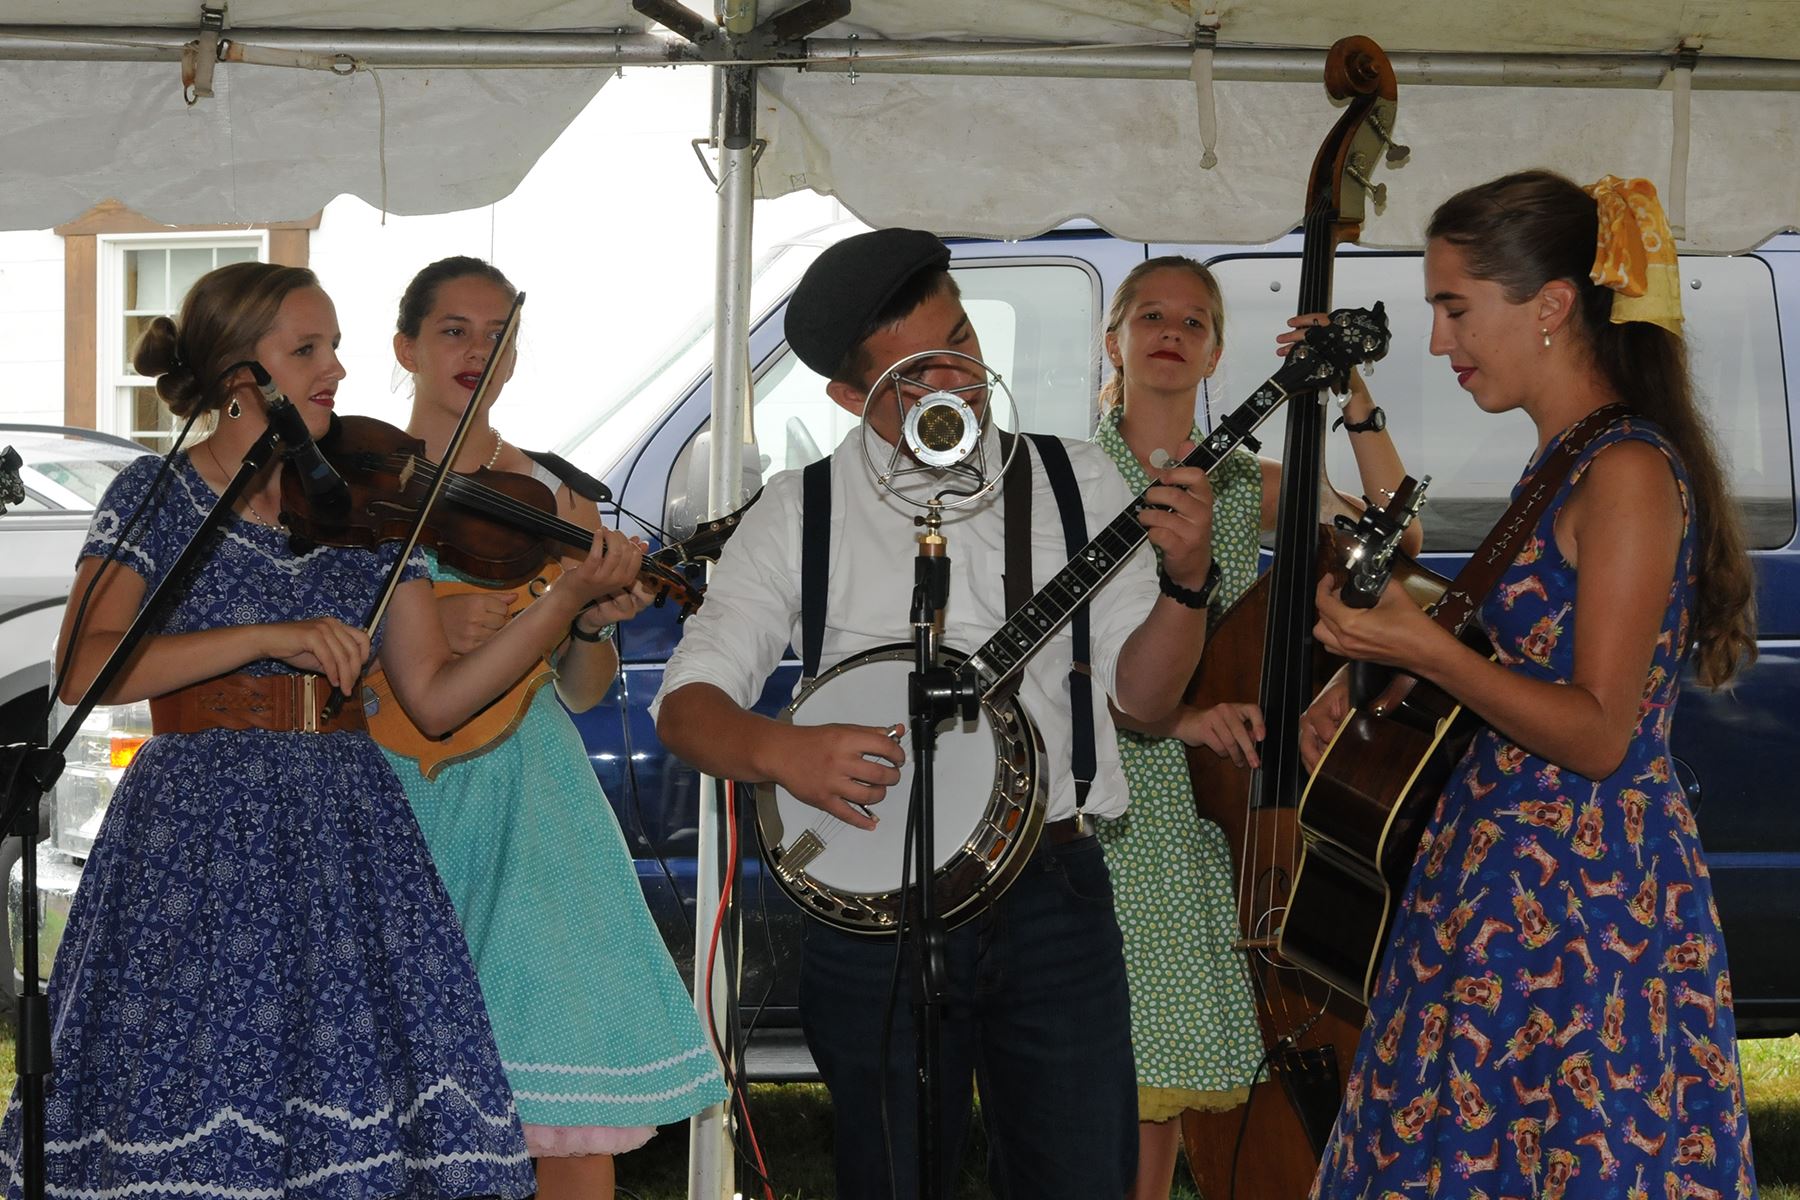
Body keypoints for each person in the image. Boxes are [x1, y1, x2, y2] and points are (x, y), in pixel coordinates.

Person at [1, 261, 644, 1196]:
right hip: (197, 832)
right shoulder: (157, 492)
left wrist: (567, 604)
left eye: (336, 345)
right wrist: (271, 636)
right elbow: (88, 666)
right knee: (194, 1102)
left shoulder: (366, 514)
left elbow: (437, 696)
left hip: (347, 831)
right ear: (239, 381)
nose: (334, 368)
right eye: (307, 350)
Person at [653, 228, 1219, 1199]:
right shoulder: (801, 509)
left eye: (962, 340)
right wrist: (783, 751)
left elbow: (1143, 699)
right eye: (918, 373)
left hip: (1054, 892)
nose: (957, 379)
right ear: (848, 396)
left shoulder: (1076, 480)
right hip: (877, 924)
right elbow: (687, 706)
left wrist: (1189, 581)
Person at [1300, 171, 1759, 1199]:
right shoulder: (1563, 461)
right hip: (1508, 887)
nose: (1438, 341)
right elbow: (1512, 677)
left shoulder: (1628, 472)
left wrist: (1428, 652)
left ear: (1552, 303)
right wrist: (1380, 691)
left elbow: (1602, 735)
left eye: (1456, 308)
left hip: (1588, 913)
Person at [382, 255, 726, 1199]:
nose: (479, 352)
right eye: (455, 330)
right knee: (401, 1090)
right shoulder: (356, 486)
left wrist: (587, 623)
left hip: (530, 799)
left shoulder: (556, 496)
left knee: (558, 1091)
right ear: (405, 345)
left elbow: (579, 687)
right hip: (391, 788)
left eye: (500, 337)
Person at [1091, 256, 1423, 1199]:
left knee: (1172, 1071)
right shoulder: (1071, 472)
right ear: (1111, 339)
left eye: (1193, 322)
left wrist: (1352, 398)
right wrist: (1187, 715)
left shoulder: (1238, 480)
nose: (1170, 331)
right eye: (1149, 314)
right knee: (1135, 1075)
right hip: (1128, 787)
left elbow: (1397, 542)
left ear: (1218, 353)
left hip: (1227, 805)